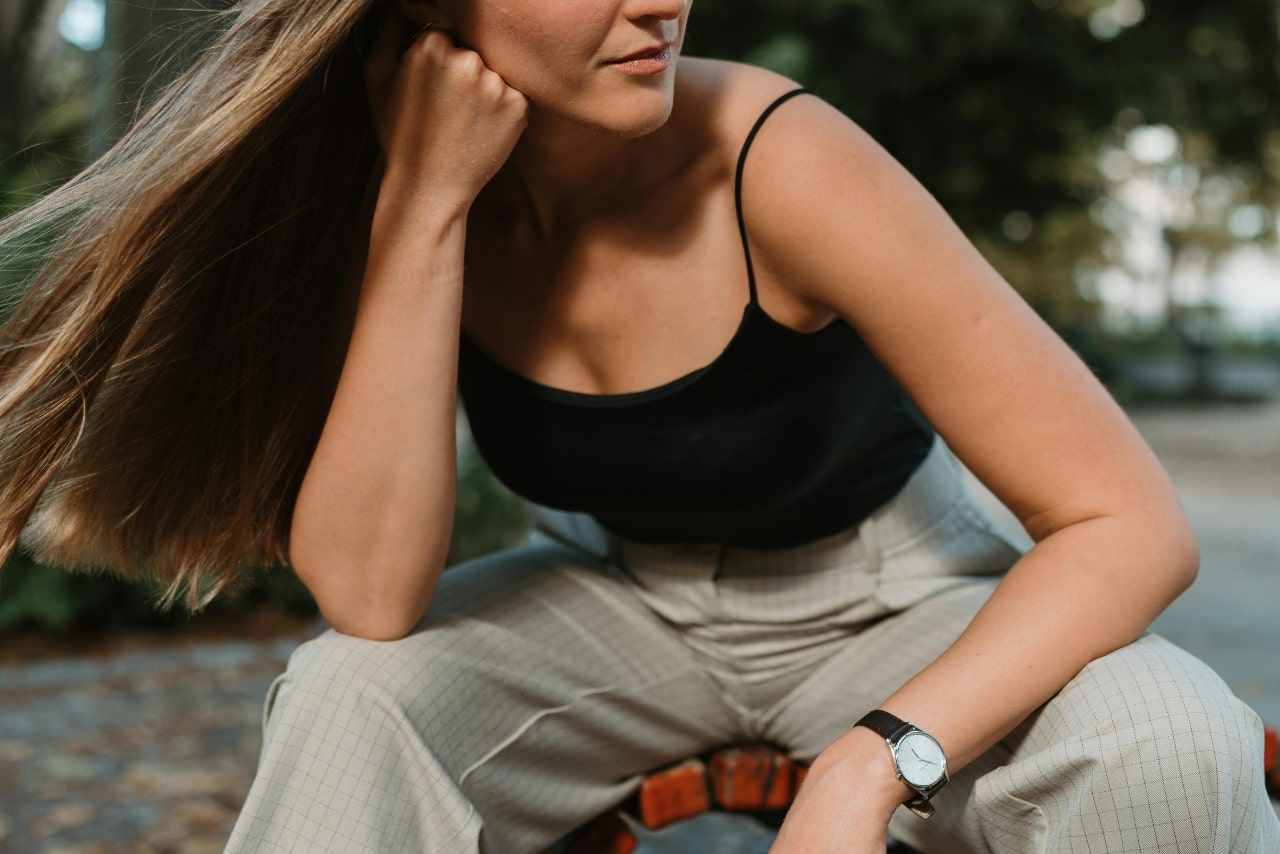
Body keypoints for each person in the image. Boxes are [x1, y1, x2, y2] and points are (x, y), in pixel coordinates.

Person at [0, 0, 1275, 851]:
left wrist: (875, 758)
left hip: (898, 598)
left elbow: (1125, 521)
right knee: (351, 692)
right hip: (620, 605)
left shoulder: (779, 158)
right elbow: (373, 593)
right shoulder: (392, 197)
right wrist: (425, 205)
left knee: (1167, 739)